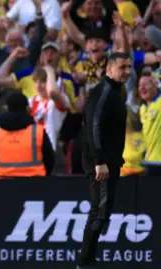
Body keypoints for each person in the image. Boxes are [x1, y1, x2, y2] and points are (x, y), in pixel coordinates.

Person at [77, 52, 132, 269]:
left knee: (104, 210)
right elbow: (94, 127)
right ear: (109, 70)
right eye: (122, 67)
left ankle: (89, 258)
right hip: (100, 162)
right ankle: (84, 262)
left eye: (129, 67)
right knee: (99, 212)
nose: (127, 71)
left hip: (109, 160)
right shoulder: (104, 92)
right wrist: (100, 161)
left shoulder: (115, 91)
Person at [0, 91, 55, 178]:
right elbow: (50, 159)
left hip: (4, 185)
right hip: (35, 185)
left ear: (7, 108)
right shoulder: (37, 132)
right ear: (27, 109)